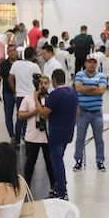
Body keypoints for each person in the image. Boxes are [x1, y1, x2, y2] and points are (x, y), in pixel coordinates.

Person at [35, 69, 78, 200]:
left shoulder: (55, 95)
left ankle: (61, 190)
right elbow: (77, 112)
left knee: (57, 162)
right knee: (59, 159)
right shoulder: (73, 93)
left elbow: (43, 113)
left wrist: (35, 98)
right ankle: (61, 187)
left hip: (56, 134)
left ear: (53, 80)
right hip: (68, 132)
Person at [17, 74, 54, 189]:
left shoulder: (51, 98)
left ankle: (54, 185)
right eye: (41, 83)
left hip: (47, 137)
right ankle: (25, 186)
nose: (43, 86)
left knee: (50, 163)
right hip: (32, 137)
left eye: (46, 83)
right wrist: (34, 113)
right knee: (29, 163)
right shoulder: (28, 99)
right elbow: (20, 115)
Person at [73, 54, 107, 171]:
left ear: (96, 64)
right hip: (83, 112)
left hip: (97, 113)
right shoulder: (79, 75)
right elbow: (78, 88)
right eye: (89, 62)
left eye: (94, 62)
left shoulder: (101, 75)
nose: (91, 64)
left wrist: (85, 90)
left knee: (99, 139)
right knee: (80, 139)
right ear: (85, 63)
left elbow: (101, 90)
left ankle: (100, 161)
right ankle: (78, 161)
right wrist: (93, 88)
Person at [8, 47, 40, 146]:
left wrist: (15, 90)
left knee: (20, 118)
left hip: (20, 95)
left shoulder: (16, 64)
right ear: (33, 56)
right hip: (31, 96)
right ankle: (28, 139)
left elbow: (10, 79)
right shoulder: (34, 66)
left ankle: (17, 140)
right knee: (30, 118)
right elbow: (40, 78)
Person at [0, 45, 19, 142]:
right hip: (7, 93)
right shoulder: (3, 65)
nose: (13, 52)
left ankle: (19, 134)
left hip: (20, 93)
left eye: (14, 50)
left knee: (21, 115)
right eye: (10, 51)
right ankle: (12, 136)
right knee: (8, 115)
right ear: (7, 53)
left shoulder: (21, 63)